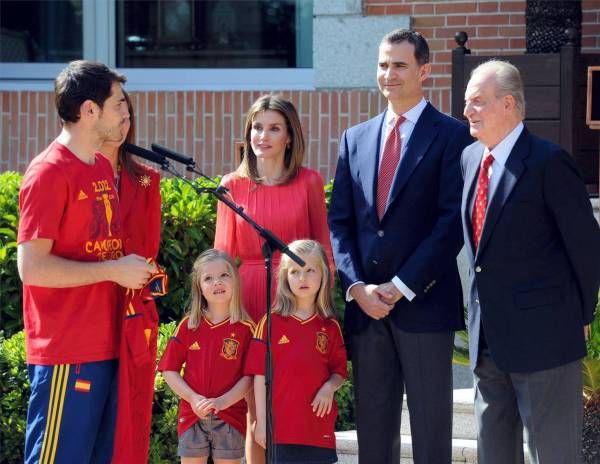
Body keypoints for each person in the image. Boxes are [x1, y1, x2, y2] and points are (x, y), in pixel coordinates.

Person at [328, 29, 473, 464]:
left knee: (431, 432)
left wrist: (402, 284)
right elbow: (340, 223)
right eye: (383, 65)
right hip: (367, 310)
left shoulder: (452, 136)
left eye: (400, 65)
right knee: (374, 430)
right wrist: (356, 288)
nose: (388, 74)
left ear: (424, 71)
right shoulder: (355, 138)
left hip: (424, 305)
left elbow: (451, 224)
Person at [17, 60, 157, 463]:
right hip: (67, 350)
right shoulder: (47, 173)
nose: (124, 114)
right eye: (117, 105)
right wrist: (114, 270)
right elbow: (32, 268)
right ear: (89, 111)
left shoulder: (98, 166)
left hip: (109, 343)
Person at [461, 59, 600, 464]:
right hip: (487, 341)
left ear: (508, 104)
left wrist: (579, 314)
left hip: (545, 342)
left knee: (552, 454)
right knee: (495, 453)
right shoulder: (470, 160)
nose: (467, 111)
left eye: (477, 102)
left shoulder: (548, 163)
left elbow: (586, 247)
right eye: (467, 102)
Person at [214, 94, 333, 463]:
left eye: (274, 128)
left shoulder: (310, 182)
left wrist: (320, 308)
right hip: (249, 300)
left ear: (290, 137)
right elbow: (221, 257)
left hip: (298, 300)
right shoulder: (231, 184)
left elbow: (325, 252)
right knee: (256, 406)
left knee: (295, 401)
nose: (262, 136)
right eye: (257, 127)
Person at [99, 91, 163, 463]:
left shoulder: (146, 180)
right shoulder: (76, 174)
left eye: (127, 118)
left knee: (130, 418)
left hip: (133, 314)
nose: (122, 125)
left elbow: (150, 253)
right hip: (88, 307)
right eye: (115, 116)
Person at [245, 239, 347, 464]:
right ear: (284, 278)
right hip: (280, 431)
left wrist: (329, 388)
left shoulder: (330, 327)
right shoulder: (270, 323)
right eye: (295, 271)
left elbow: (339, 371)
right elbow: (259, 377)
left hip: (317, 430)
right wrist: (261, 422)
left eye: (310, 270)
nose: (303, 278)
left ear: (324, 275)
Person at [158, 249, 255, 464]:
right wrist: (193, 399)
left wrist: (223, 401)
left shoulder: (247, 329)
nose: (216, 282)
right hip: (193, 415)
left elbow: (249, 378)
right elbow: (169, 370)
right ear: (199, 287)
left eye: (224, 275)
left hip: (231, 417)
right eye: (208, 278)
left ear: (235, 281)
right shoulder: (188, 326)